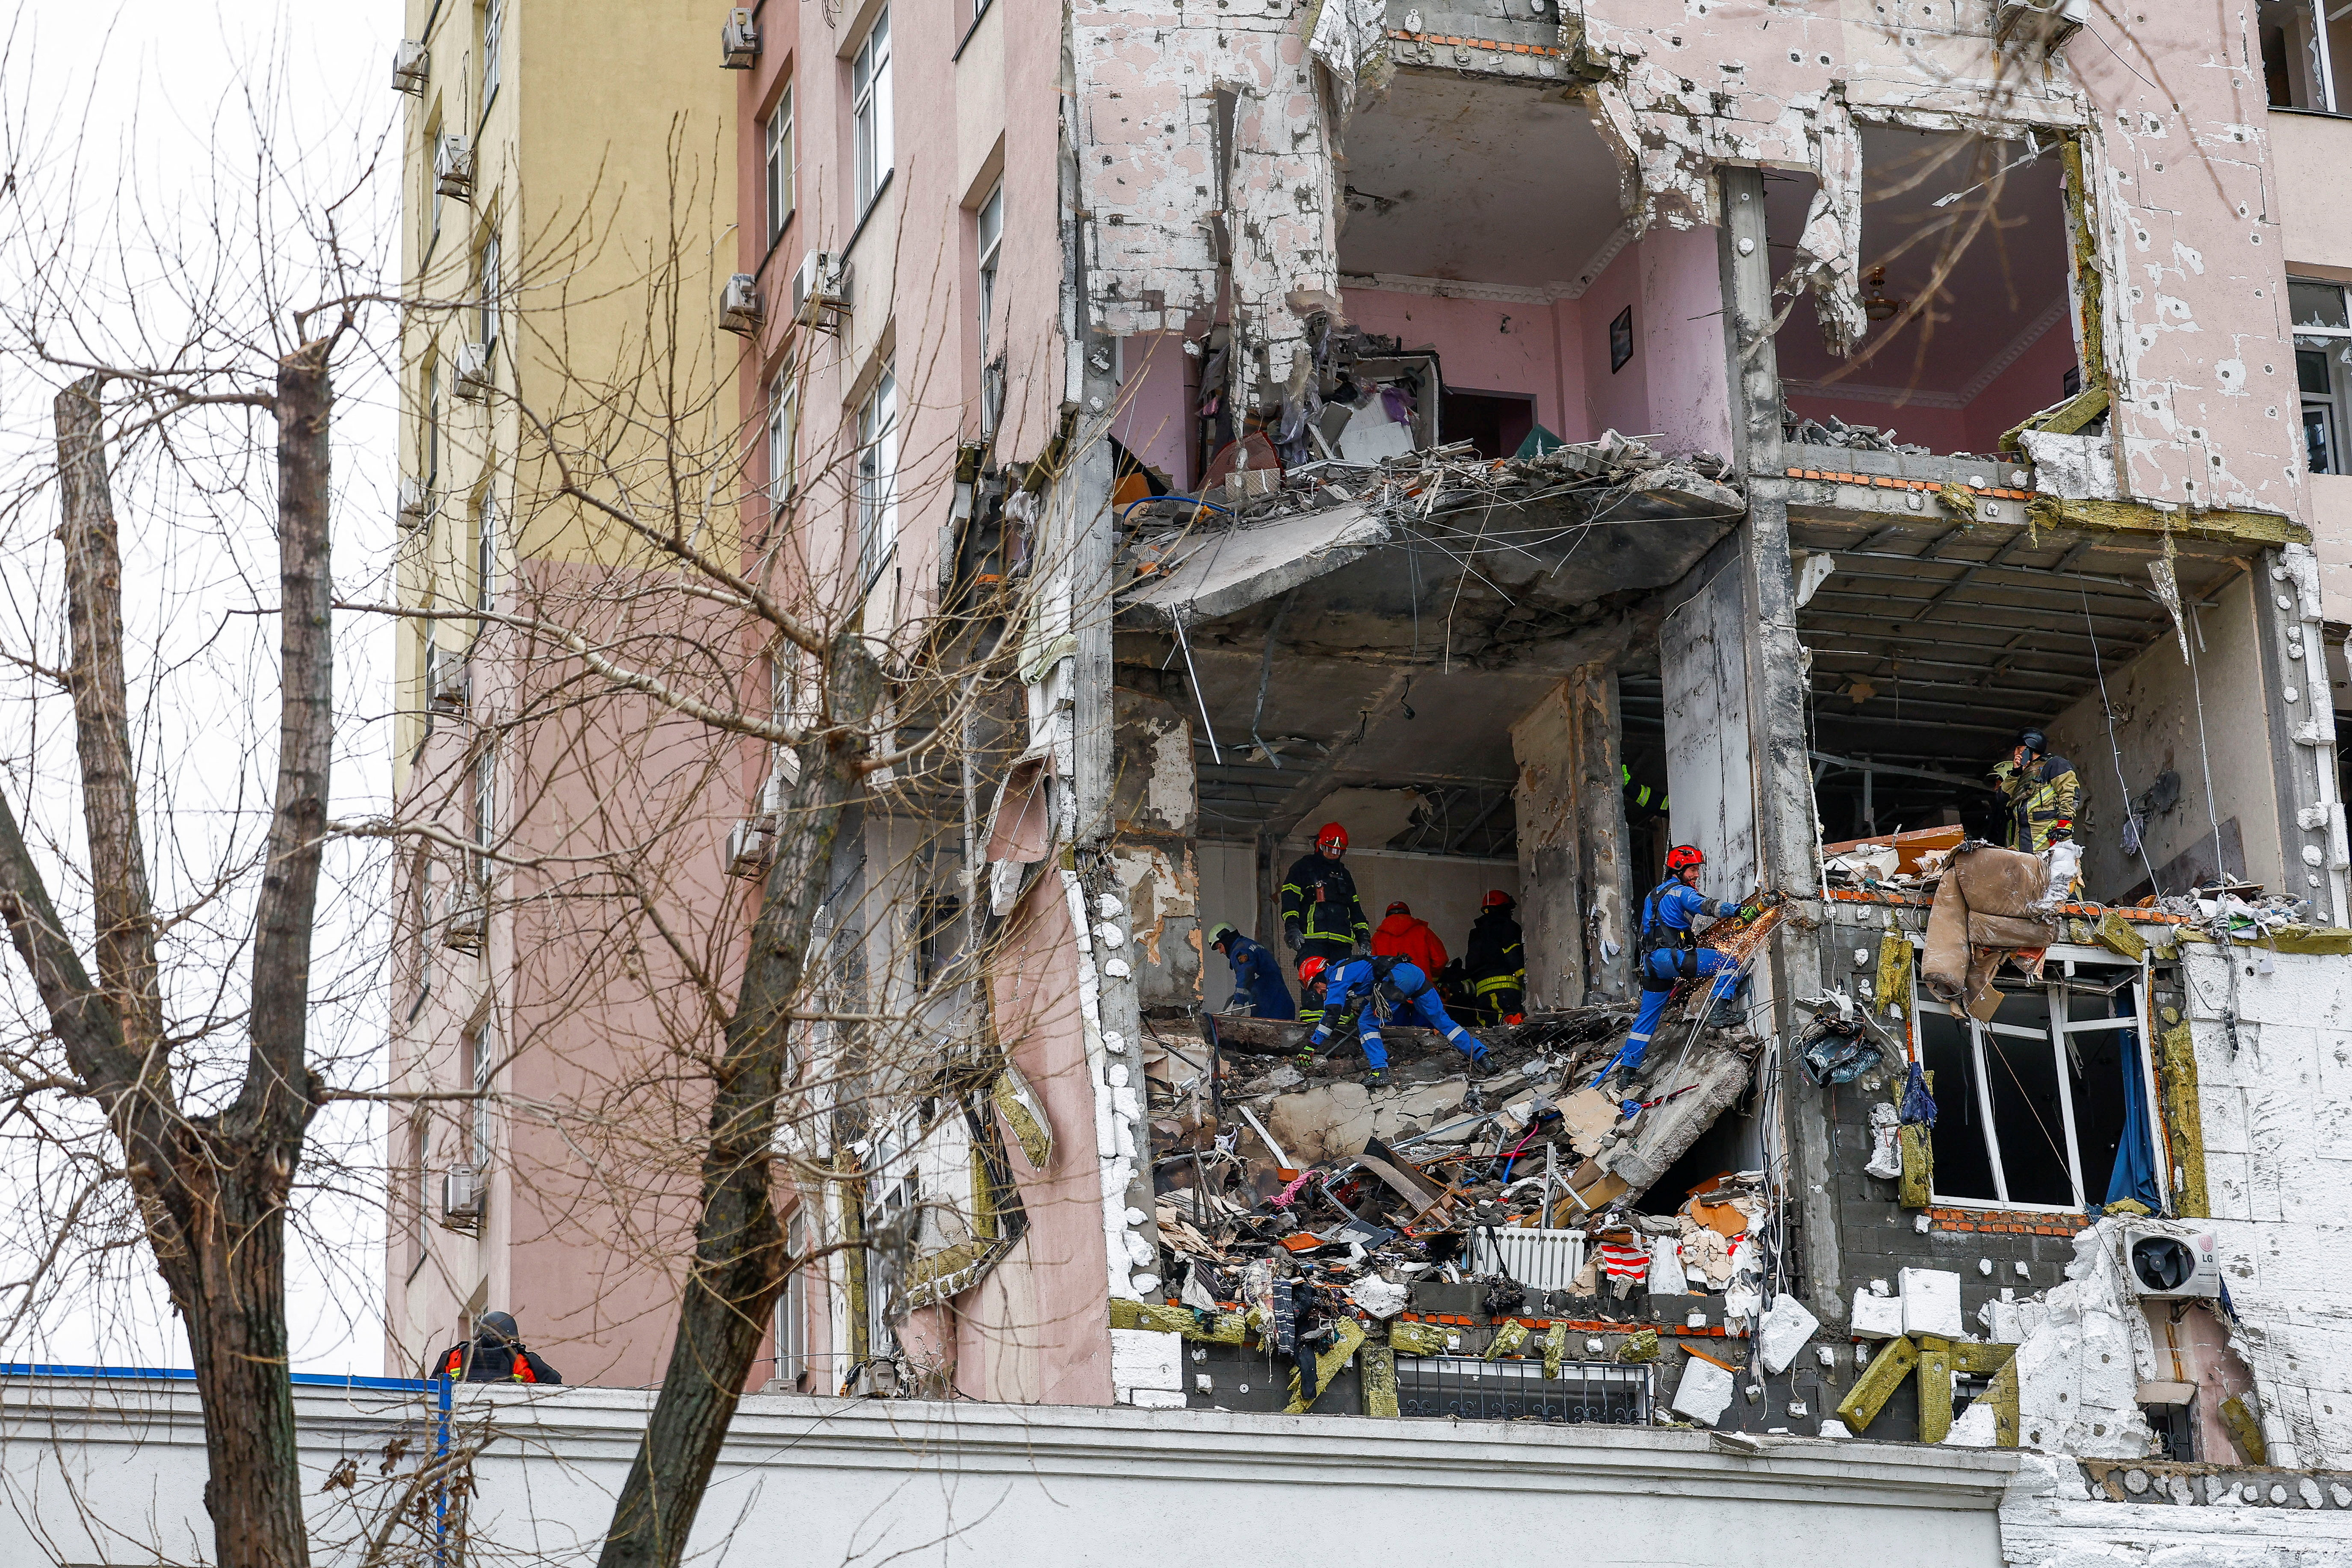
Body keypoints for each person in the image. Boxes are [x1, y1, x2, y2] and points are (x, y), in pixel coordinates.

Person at [1596, 845, 1775, 1092]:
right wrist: (1740, 911)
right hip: (1673, 959)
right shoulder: (1681, 893)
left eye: (1697, 870)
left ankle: (1627, 1074)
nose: (1697, 875)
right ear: (1678, 869)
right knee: (1730, 963)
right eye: (1692, 870)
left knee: (1647, 1018)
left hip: (1652, 965)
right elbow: (1708, 907)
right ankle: (1719, 1013)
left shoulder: (1653, 895)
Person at [1298, 952, 1486, 1089]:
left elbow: (1331, 1016)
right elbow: (1371, 983)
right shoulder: (1346, 966)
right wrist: (1365, 1008)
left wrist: (1310, 1048)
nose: (1318, 991)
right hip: (1413, 972)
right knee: (1443, 1022)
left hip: (1397, 979)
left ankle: (1380, 1071)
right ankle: (1483, 1056)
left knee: (1367, 1024)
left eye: (1315, 985)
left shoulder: (1336, 979)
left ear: (1321, 975)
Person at [1279, 822, 1369, 1023]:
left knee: (1343, 986)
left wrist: (1364, 938)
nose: (1332, 854)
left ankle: (1342, 1031)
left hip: (1342, 941)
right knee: (1315, 985)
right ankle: (1312, 1032)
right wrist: (1292, 928)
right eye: (1329, 849)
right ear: (1319, 845)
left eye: (1338, 851)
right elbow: (1290, 899)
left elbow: (1355, 909)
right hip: (1312, 939)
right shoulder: (1304, 868)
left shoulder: (1345, 875)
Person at [1996, 727, 2079, 853]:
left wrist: (2065, 821)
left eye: (2019, 749)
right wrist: (2016, 773)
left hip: (2049, 839)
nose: (2015, 753)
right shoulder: (2022, 773)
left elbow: (2070, 793)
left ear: (2030, 747)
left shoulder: (2055, 764)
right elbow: (2003, 798)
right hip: (2024, 840)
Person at [436, 1310, 563, 1385]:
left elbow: (433, 1389)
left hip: (459, 1419)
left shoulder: (455, 1357)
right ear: (507, 1337)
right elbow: (552, 1389)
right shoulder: (519, 1360)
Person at [1208, 921, 1295, 1020]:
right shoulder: (1248, 945)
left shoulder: (1241, 950)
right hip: (1278, 1003)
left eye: (1220, 946)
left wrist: (1239, 1003)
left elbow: (1246, 975)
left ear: (1226, 939)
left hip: (1270, 1007)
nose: (1221, 952)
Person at [1463, 890, 1525, 1025]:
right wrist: (1524, 980)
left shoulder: (1475, 933)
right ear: (1505, 908)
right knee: (1514, 1026)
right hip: (1506, 992)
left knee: (1491, 1030)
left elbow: (1470, 965)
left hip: (1482, 995)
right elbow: (1514, 953)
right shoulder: (1509, 926)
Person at [1370, 901, 1447, 977]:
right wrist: (1428, 973)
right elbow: (1440, 960)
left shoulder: (1377, 938)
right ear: (1409, 915)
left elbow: (1372, 967)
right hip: (1422, 985)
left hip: (1389, 986)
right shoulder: (1424, 932)